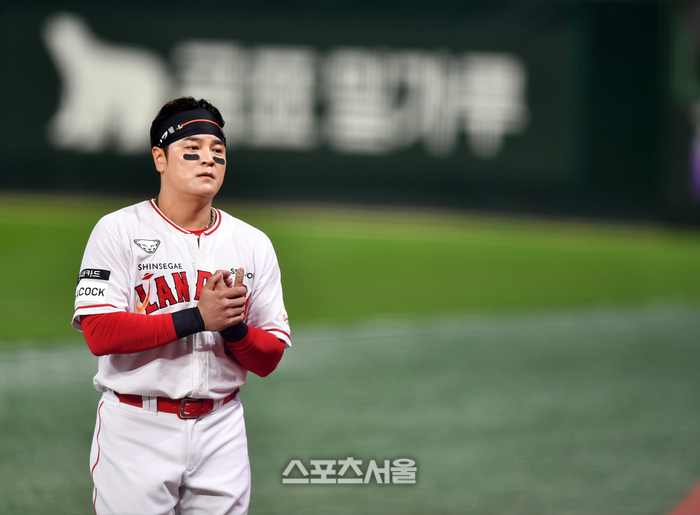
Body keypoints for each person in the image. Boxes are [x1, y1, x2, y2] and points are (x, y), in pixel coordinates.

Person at [72, 96, 291, 514]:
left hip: (221, 428)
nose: (208, 159)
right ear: (160, 158)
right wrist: (198, 317)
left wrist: (232, 327)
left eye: (218, 151)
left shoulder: (252, 243)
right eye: (192, 149)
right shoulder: (118, 230)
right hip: (137, 428)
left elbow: (268, 358)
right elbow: (99, 334)